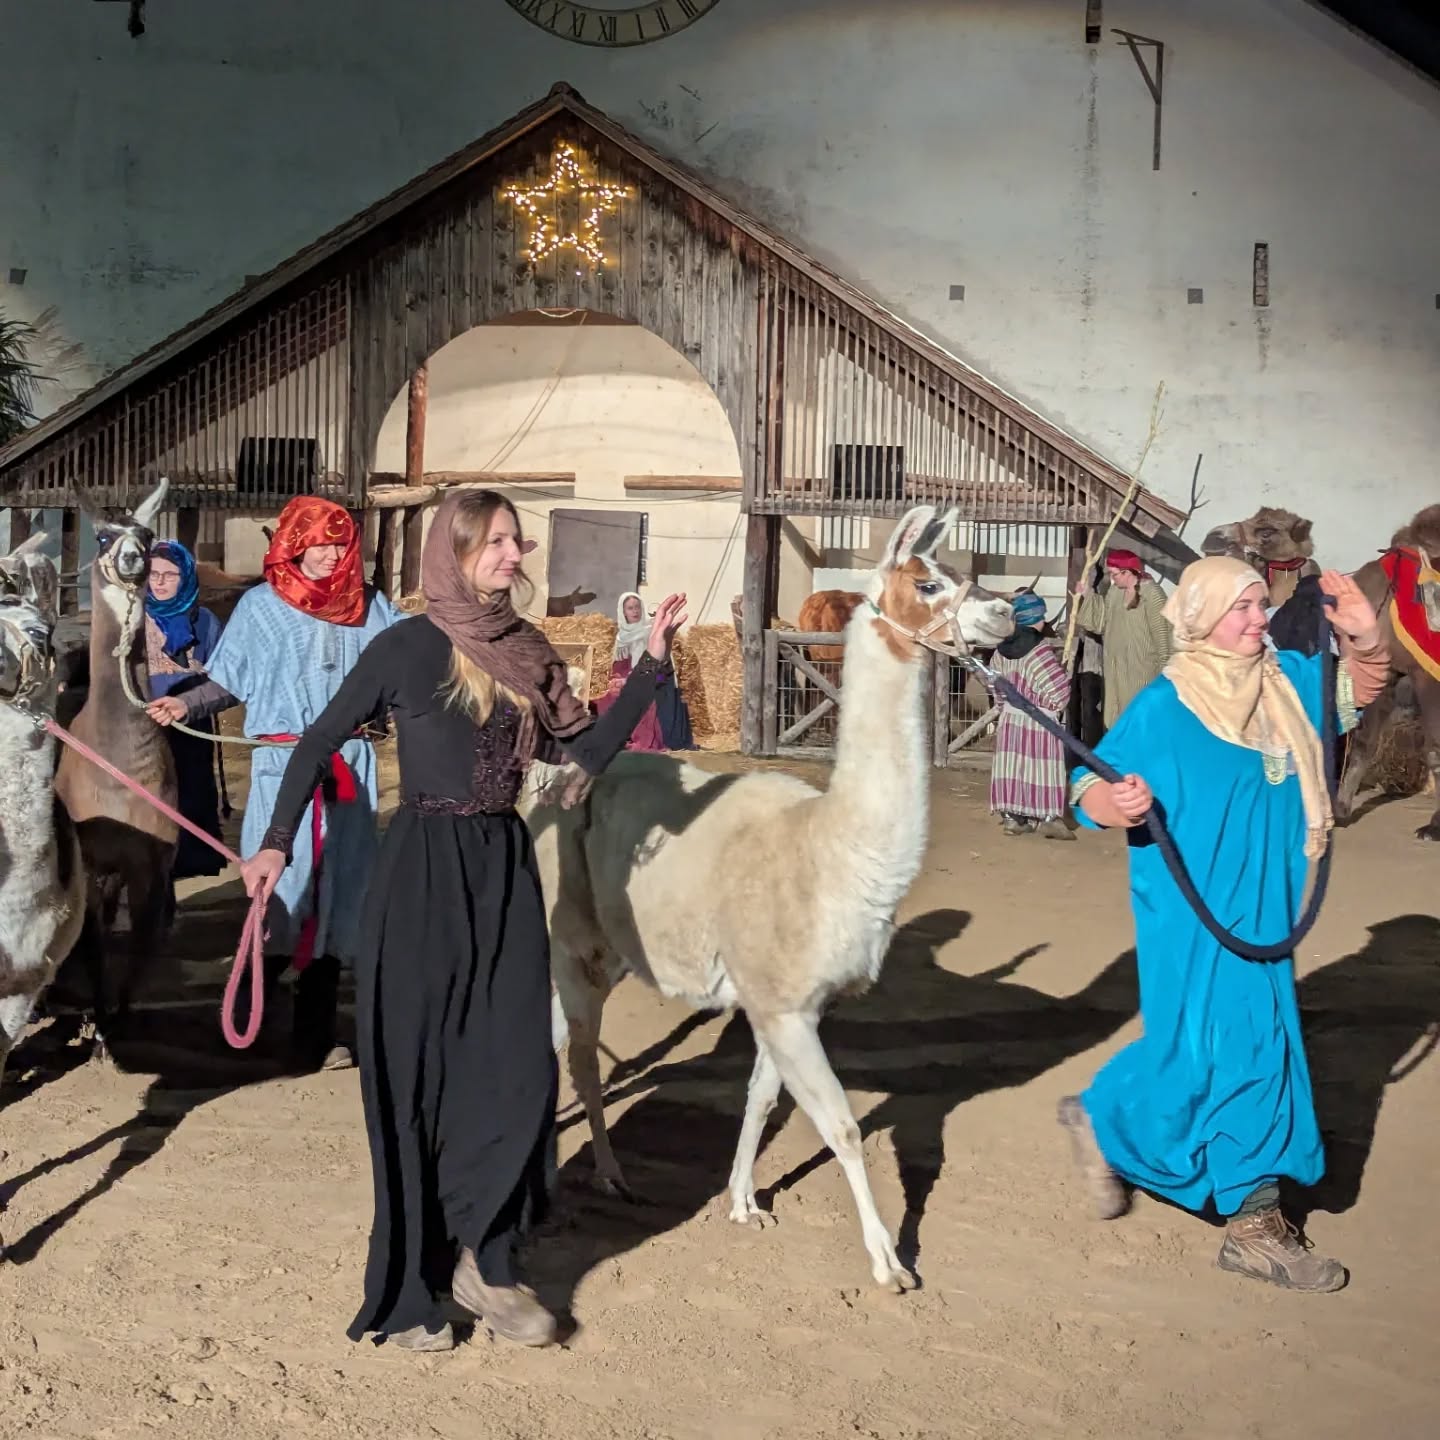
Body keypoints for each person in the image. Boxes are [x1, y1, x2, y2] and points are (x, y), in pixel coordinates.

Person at [240, 490, 686, 1354]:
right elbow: (319, 740)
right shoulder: (407, 645)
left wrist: (653, 668)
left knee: (520, 1071)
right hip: (421, 874)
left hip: (503, 869)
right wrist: (274, 844)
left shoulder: (529, 652)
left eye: (518, 541)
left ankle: (488, 1257)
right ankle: (413, 1290)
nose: (514, 555)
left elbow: (585, 754)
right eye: (497, 542)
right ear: (456, 549)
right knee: (420, 1081)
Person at [1058, 558, 1391, 1292]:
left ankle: (1107, 1113)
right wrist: (1118, 804)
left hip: (1266, 906)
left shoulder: (1287, 683)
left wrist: (1366, 639)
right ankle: (1254, 1226)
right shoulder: (1167, 704)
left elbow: (1357, 692)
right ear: (1201, 616)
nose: (1258, 619)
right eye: (1241, 607)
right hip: (1193, 911)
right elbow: (1089, 784)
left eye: (1260, 605)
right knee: (1245, 1045)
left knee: (1202, 1046)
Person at [150, 497, 398, 1072]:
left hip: (350, 766)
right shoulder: (261, 606)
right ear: (295, 543)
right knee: (277, 892)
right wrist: (185, 704)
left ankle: (315, 1035)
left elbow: (409, 666)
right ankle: (244, 1019)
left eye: (341, 543)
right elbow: (231, 679)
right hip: (280, 766)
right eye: (321, 543)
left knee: (340, 895)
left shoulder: (371, 606)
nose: (332, 554)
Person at [141, 540, 226, 895]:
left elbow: (226, 677)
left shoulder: (204, 622)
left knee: (190, 787)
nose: (159, 582)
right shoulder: (132, 620)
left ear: (186, 577)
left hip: (191, 723)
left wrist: (192, 700)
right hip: (143, 726)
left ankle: (190, 859)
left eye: (170, 575)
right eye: (153, 574)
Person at [988, 591, 1073, 839]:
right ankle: (1048, 818)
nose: (1044, 620)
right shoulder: (1040, 651)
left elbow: (995, 685)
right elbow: (1059, 695)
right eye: (1041, 615)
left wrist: (1004, 707)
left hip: (1011, 719)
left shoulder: (1000, 650)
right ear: (1033, 617)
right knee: (1041, 769)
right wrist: (1062, 679)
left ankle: (1013, 818)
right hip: (1040, 721)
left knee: (1013, 767)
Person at [1075, 548, 1170, 727]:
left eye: (1115, 574)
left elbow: (1164, 639)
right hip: (1116, 672)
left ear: (1127, 572)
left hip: (1142, 673)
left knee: (1141, 720)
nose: (1113, 578)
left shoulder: (1153, 596)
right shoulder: (1115, 592)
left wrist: (1165, 680)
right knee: (1117, 718)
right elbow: (1102, 622)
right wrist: (1088, 594)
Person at [594, 591, 667, 751]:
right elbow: (618, 665)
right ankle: (615, 738)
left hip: (651, 675)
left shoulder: (650, 632)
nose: (635, 611)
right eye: (630, 608)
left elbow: (654, 664)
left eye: (637, 607)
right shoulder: (621, 636)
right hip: (627, 676)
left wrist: (629, 679)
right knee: (606, 696)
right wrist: (616, 680)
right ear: (623, 612)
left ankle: (641, 739)